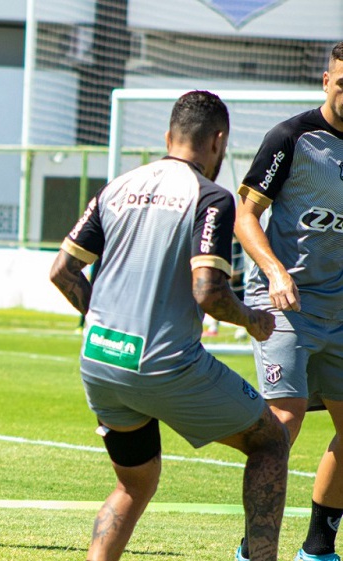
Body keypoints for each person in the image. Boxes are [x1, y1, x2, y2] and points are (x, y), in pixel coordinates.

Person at [50, 90, 289, 561]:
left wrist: (105, 319)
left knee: (134, 482)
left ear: (167, 136)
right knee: (270, 441)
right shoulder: (211, 197)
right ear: (218, 141)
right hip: (165, 366)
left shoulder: (117, 186)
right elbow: (209, 292)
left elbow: (61, 271)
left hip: (100, 361)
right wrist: (253, 320)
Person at [233, 41, 343, 561]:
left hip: (341, 308)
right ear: (326, 81)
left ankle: (319, 548)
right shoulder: (292, 138)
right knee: (286, 417)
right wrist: (275, 270)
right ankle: (252, 546)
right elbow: (245, 214)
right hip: (287, 301)